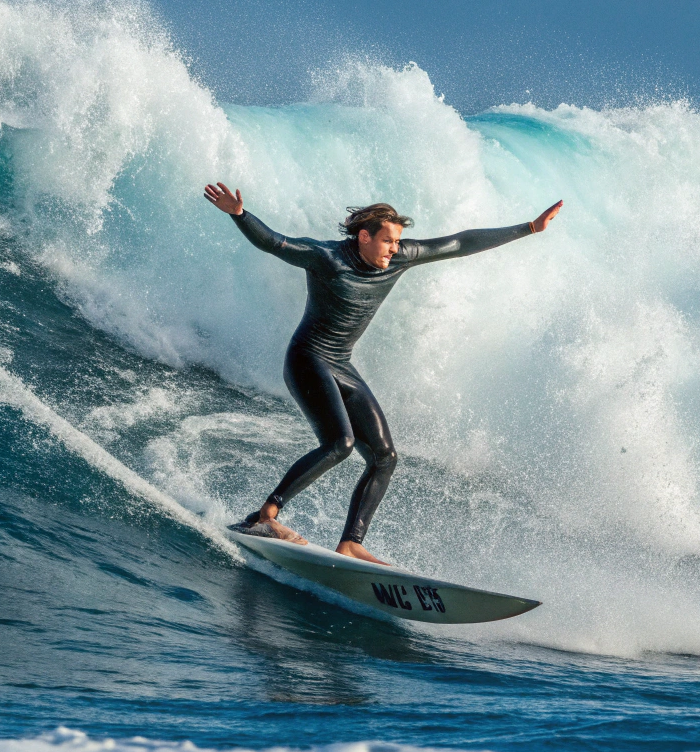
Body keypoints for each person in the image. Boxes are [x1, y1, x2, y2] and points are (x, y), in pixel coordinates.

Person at [204, 181, 563, 563]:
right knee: (339, 444)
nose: (395, 250)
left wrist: (528, 228)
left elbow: (460, 243)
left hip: (341, 363)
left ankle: (351, 543)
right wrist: (239, 215)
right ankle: (266, 516)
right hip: (307, 359)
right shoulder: (326, 257)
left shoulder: (402, 256)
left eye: (397, 243)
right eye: (388, 241)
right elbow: (275, 243)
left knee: (384, 456)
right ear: (364, 236)